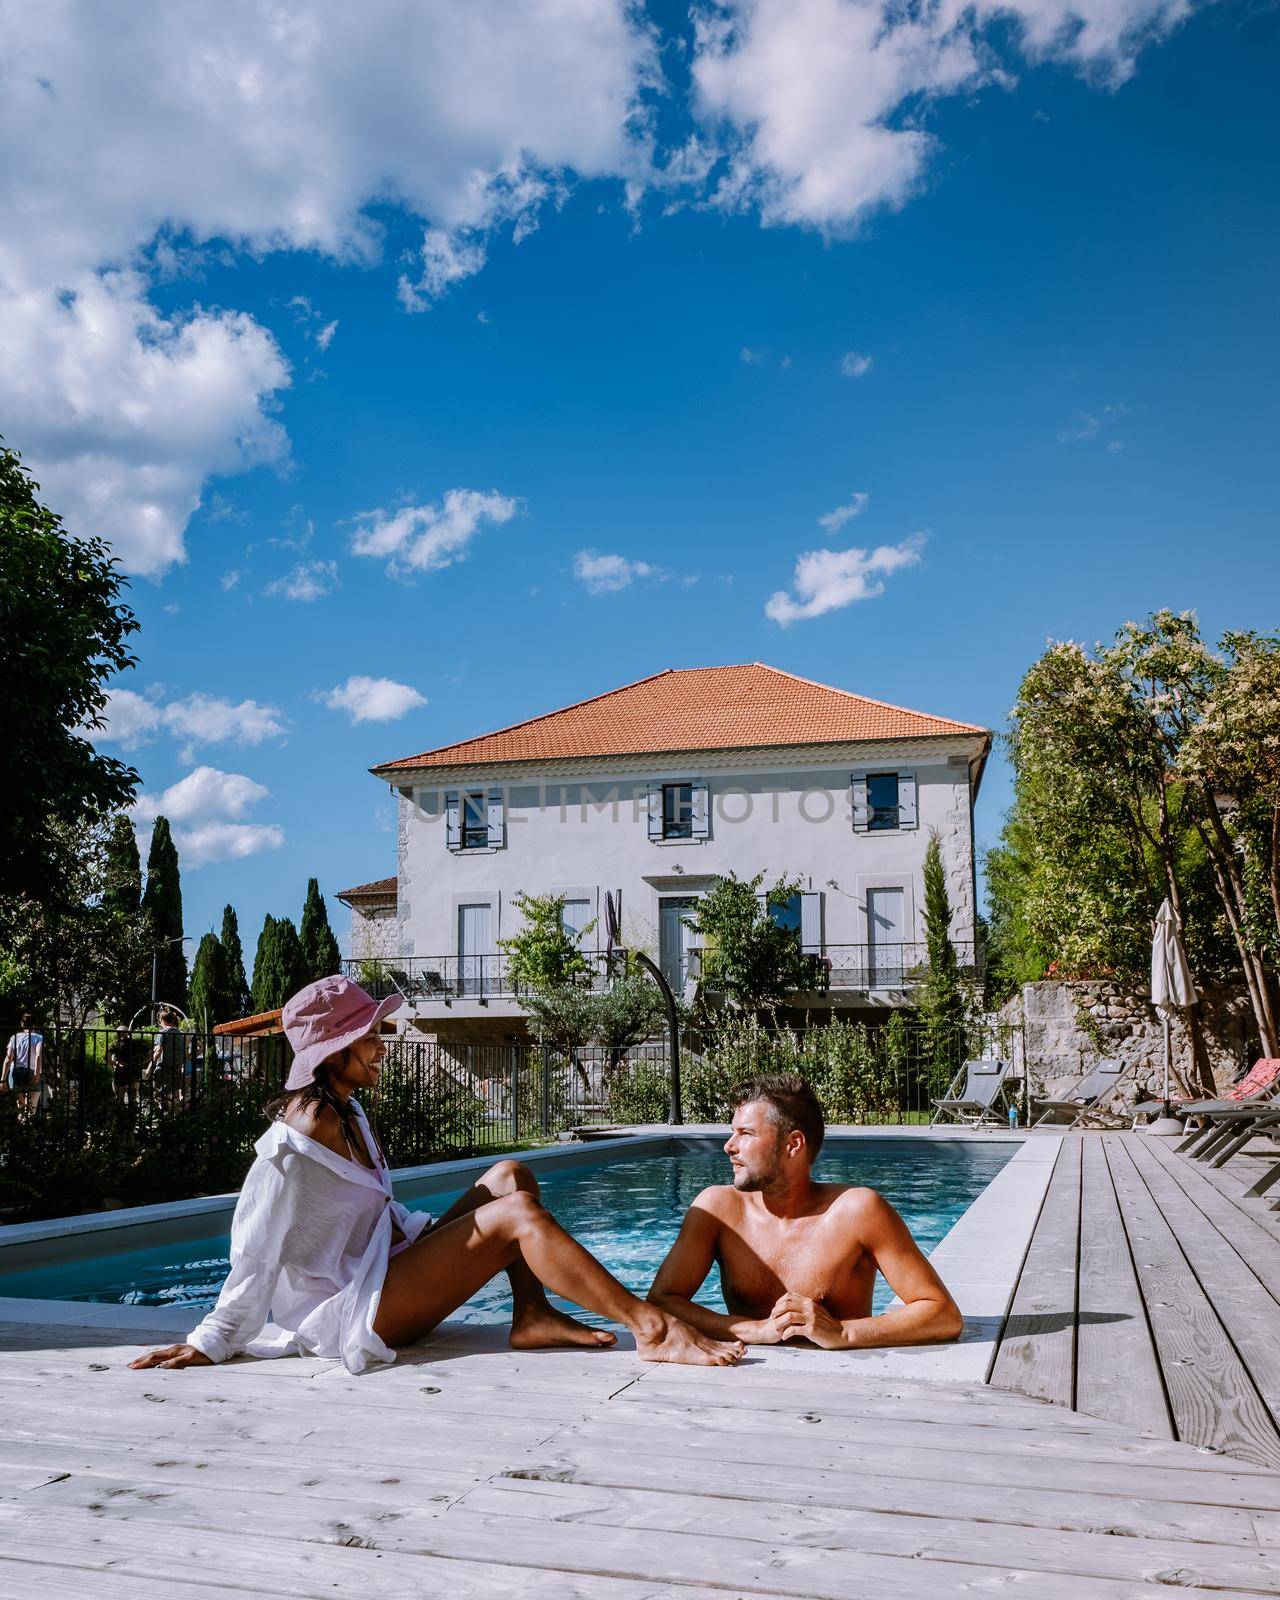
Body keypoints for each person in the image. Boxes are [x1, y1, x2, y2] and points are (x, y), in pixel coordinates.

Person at [130, 975, 743, 1376]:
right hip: (352, 1311)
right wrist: (212, 1339)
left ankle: (532, 1317)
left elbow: (369, 1213)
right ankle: (651, 1327)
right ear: (333, 1051)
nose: (384, 1046)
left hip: (384, 1266)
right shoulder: (296, 1138)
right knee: (518, 1217)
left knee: (510, 1175)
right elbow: (256, 1247)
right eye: (371, 1036)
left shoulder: (349, 1110)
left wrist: (423, 1236)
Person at [648, 1073, 963, 1350]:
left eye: (746, 1134)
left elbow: (942, 1314)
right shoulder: (717, 1210)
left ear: (793, 1144)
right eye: (733, 1132)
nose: (729, 1145)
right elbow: (662, 1301)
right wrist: (754, 1329)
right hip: (742, 1386)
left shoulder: (857, 1211)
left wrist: (843, 1331)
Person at [2, 1013, 43, 1120]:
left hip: (15, 1072)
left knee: (20, 1108)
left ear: (22, 1024)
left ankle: (22, 1130)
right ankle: (29, 1131)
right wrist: (37, 1073)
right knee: (31, 1108)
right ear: (34, 1025)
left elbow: (8, 1059)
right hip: (31, 1071)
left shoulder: (14, 1037)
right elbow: (38, 1055)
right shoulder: (38, 1037)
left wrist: (2, 1080)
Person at [147, 1009, 189, 1109]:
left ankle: (161, 1111)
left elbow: (158, 1052)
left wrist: (149, 1067)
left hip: (164, 1067)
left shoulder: (163, 1032)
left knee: (157, 1090)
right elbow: (184, 1052)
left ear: (163, 1020)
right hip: (176, 1067)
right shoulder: (180, 1034)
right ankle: (174, 1116)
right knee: (174, 1093)